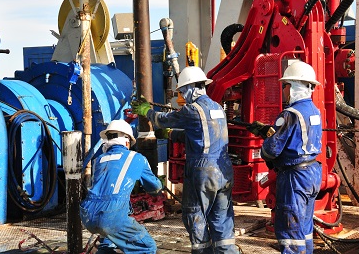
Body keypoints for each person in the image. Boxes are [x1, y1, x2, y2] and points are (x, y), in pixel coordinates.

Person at [131, 66, 239, 254]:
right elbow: (202, 134)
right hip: (223, 170)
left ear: (191, 88)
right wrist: (172, 135)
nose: (182, 96)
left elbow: (162, 119)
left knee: (195, 214)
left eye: (182, 91)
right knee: (221, 218)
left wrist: (147, 111)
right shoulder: (218, 108)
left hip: (203, 172)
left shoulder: (192, 110)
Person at [247, 61, 323, 254]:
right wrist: (272, 132)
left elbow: (272, 150)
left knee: (290, 230)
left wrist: (267, 140)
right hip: (312, 173)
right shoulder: (314, 111)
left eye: (285, 85)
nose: (283, 90)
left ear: (295, 86)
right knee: (304, 228)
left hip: (294, 177)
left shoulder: (289, 114)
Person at [80, 119, 163, 254]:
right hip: (112, 214)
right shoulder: (135, 157)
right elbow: (154, 187)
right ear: (126, 141)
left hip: (88, 214)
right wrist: (160, 185)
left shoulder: (98, 160)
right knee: (147, 247)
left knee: (107, 244)